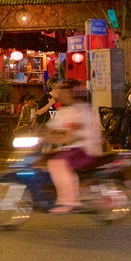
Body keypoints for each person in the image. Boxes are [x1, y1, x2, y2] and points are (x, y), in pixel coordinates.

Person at [43, 80, 104, 213]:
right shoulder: (63, 111)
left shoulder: (82, 110)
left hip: (86, 149)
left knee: (58, 163)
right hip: (71, 149)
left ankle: (70, 201)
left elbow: (76, 134)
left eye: (64, 92)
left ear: (73, 93)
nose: (61, 95)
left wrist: (62, 138)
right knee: (44, 162)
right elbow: (50, 128)